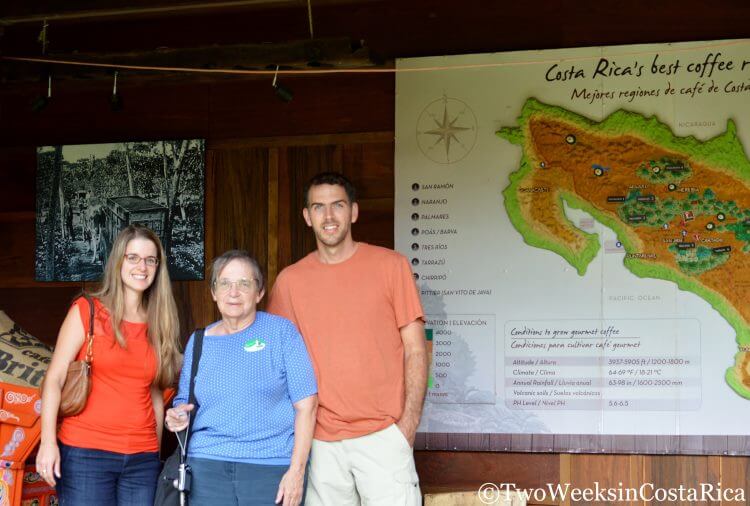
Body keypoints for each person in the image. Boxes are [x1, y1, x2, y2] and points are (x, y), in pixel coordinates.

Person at [268, 172, 428, 505]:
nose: (328, 217)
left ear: (353, 212)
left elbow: (416, 349)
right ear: (307, 217)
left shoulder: (391, 266)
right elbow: (276, 367)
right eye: (318, 207)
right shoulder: (289, 282)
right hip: (321, 444)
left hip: (384, 437)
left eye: (337, 206)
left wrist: (406, 428)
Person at [37, 225, 182, 505]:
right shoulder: (87, 310)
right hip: (85, 453)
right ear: (118, 261)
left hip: (142, 459)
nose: (142, 267)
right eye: (133, 258)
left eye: (150, 260)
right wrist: (47, 442)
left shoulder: (160, 321)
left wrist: (153, 451)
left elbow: (154, 394)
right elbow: (54, 379)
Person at [165, 250, 317, 506]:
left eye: (244, 284)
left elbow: (307, 406)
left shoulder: (282, 333)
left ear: (259, 293)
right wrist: (178, 415)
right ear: (214, 292)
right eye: (225, 283)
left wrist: (296, 472)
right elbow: (184, 400)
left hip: (269, 468)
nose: (233, 292)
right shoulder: (199, 341)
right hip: (206, 468)